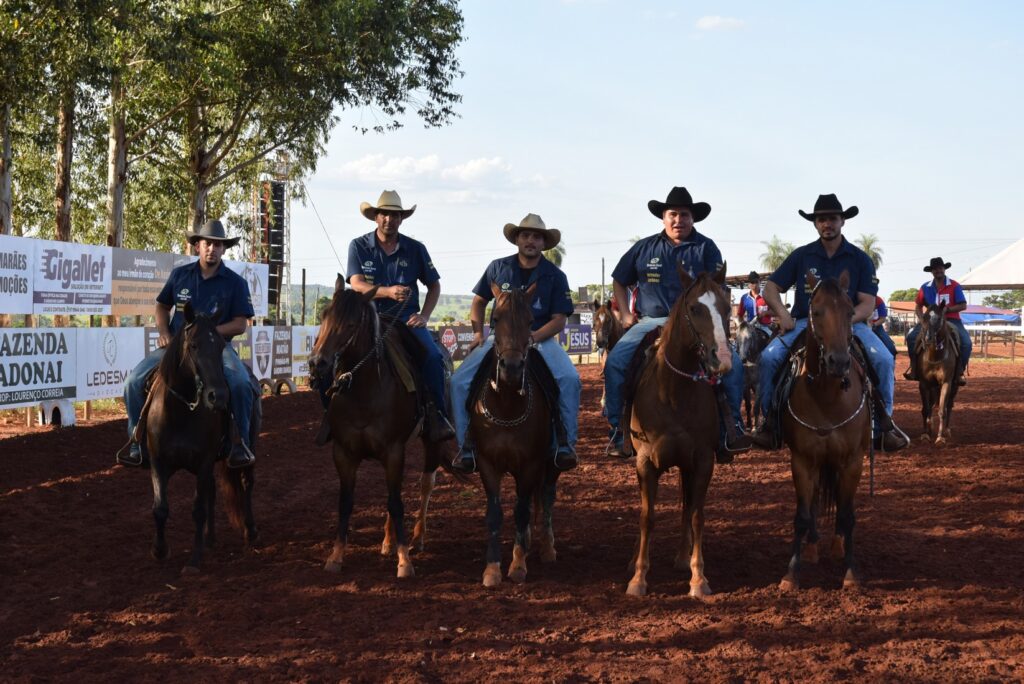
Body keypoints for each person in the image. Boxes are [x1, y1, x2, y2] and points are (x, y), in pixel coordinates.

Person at [603, 186, 751, 461]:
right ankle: (618, 431)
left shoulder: (706, 247)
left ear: (692, 218)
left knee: (734, 366)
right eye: (673, 214)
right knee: (616, 362)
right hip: (652, 320)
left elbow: (716, 288)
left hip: (696, 325)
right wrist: (624, 314)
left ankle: (731, 430)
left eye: (684, 215)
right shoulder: (644, 248)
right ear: (663, 217)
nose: (678, 220)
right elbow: (619, 281)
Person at [752, 194, 909, 451]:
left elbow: (867, 304)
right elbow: (770, 288)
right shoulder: (802, 256)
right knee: (769, 358)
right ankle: (770, 424)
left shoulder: (859, 259)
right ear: (815, 224)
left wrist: (841, 321)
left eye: (833, 219)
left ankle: (884, 427)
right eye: (822, 220)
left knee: (883, 359)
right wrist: (783, 314)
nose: (827, 224)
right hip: (805, 323)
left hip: (852, 324)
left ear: (842, 221)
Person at [119, 220, 256, 468]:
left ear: (224, 249)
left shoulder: (236, 283)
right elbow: (162, 306)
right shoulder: (180, 275)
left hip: (217, 349)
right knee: (133, 383)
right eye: (207, 243)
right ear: (197, 246)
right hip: (176, 348)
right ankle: (137, 442)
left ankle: (240, 444)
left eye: (217, 245)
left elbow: (240, 324)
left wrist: (207, 334)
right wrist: (164, 332)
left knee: (241, 384)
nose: (212, 249)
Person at [449, 214, 580, 473]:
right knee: (458, 382)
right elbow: (478, 301)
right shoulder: (498, 268)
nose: (530, 240)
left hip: (539, 339)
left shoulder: (555, 275)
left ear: (543, 243)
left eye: (536, 237)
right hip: (499, 340)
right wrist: (478, 334)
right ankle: (466, 447)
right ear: (517, 239)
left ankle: (564, 444)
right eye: (525, 235)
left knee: (570, 379)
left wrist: (533, 337)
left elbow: (559, 319)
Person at [346, 190, 454, 441]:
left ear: (401, 219)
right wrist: (387, 291)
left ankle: (437, 416)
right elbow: (356, 283)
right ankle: (331, 415)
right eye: (384, 214)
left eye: (395, 215)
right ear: (376, 217)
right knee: (331, 357)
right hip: (368, 318)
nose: (389, 219)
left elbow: (434, 285)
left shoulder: (416, 249)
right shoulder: (359, 245)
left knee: (433, 358)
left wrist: (424, 316)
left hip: (406, 320)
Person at [903, 257, 971, 386]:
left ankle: (959, 371)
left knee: (966, 343)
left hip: (951, 319)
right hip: (930, 320)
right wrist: (922, 320)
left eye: (940, 268)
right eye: (935, 269)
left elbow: (963, 305)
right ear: (931, 271)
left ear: (944, 269)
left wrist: (947, 309)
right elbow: (918, 306)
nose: (938, 271)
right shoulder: (925, 287)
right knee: (911, 337)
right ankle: (914, 368)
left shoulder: (954, 285)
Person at [737, 270, 773, 336]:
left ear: (760, 282)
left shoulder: (767, 295)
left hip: (765, 327)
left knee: (773, 341)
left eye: (756, 282)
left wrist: (765, 313)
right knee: (738, 341)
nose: (754, 284)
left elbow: (775, 311)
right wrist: (742, 327)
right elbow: (740, 315)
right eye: (752, 282)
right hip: (749, 328)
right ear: (749, 284)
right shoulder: (744, 298)